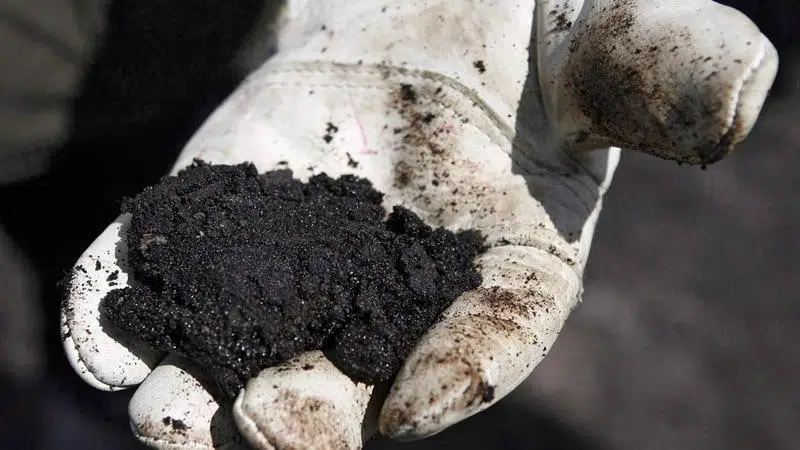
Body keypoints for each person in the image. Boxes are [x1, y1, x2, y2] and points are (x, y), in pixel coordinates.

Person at [2, 1, 778, 449]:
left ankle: (85, 418)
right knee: (102, 296)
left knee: (104, 285)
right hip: (25, 117)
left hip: (178, 60)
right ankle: (80, 417)